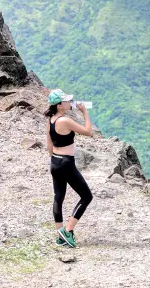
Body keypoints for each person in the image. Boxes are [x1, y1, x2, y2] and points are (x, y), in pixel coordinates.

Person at [45, 88, 94, 248]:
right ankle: (68, 230)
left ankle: (60, 235)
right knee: (86, 196)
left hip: (55, 162)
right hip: (66, 163)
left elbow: (49, 144)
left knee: (58, 197)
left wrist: (55, 161)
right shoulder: (65, 121)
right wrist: (85, 112)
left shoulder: (51, 120)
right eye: (66, 100)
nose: (69, 102)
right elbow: (88, 132)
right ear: (59, 105)